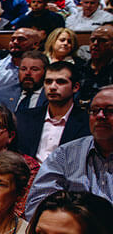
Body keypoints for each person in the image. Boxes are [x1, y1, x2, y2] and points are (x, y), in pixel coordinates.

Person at [24, 86, 113, 218]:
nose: (100, 116)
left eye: (110, 111)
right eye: (94, 111)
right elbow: (37, 204)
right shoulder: (64, 154)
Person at [15, 62, 88, 162]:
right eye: (48, 82)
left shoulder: (87, 123)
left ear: (75, 87)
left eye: (61, 82)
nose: (53, 87)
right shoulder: (23, 118)